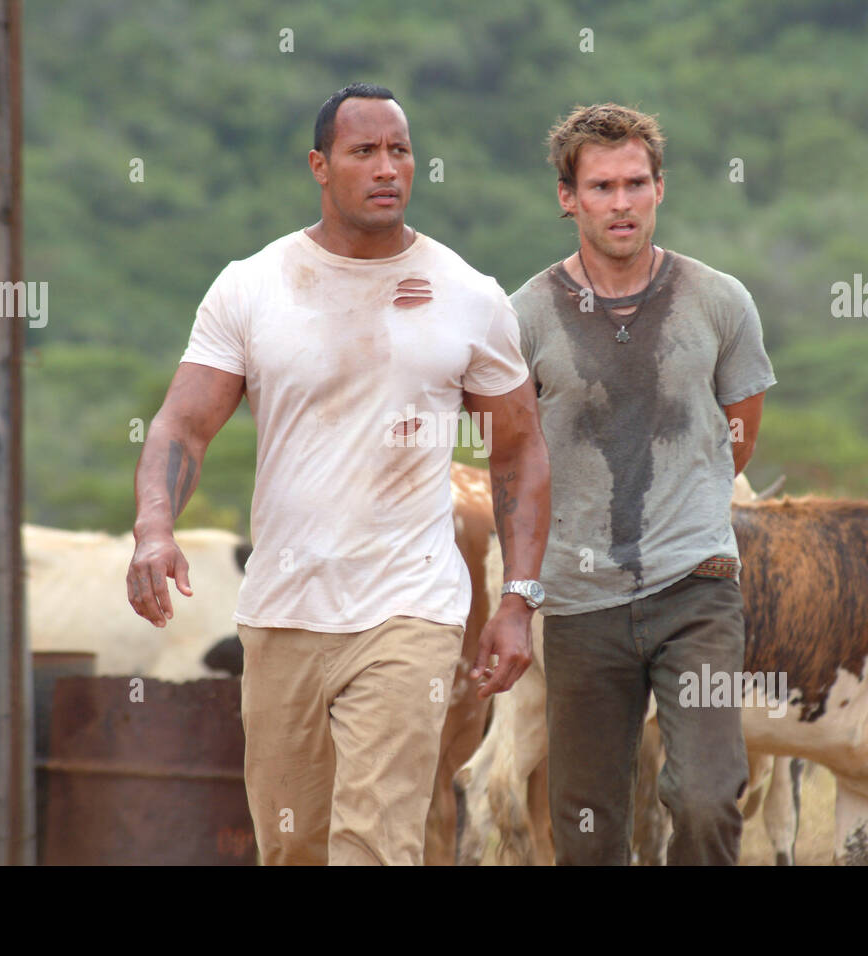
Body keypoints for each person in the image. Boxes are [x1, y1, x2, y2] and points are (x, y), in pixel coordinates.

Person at [126, 82, 550, 865]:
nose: (388, 168)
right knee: (294, 849)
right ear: (320, 166)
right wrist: (155, 527)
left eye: (400, 150)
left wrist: (519, 597)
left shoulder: (469, 296)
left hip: (410, 608)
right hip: (285, 610)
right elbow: (183, 425)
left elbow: (518, 449)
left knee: (376, 844)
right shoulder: (253, 287)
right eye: (365, 152)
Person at [509, 103, 776, 865]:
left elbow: (739, 436)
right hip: (580, 594)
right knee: (587, 825)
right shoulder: (524, 317)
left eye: (634, 183)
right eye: (600, 187)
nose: (620, 202)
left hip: (697, 584)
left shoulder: (719, 301)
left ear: (661, 187)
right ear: (569, 197)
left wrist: (686, 510)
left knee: (706, 798)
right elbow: (513, 454)